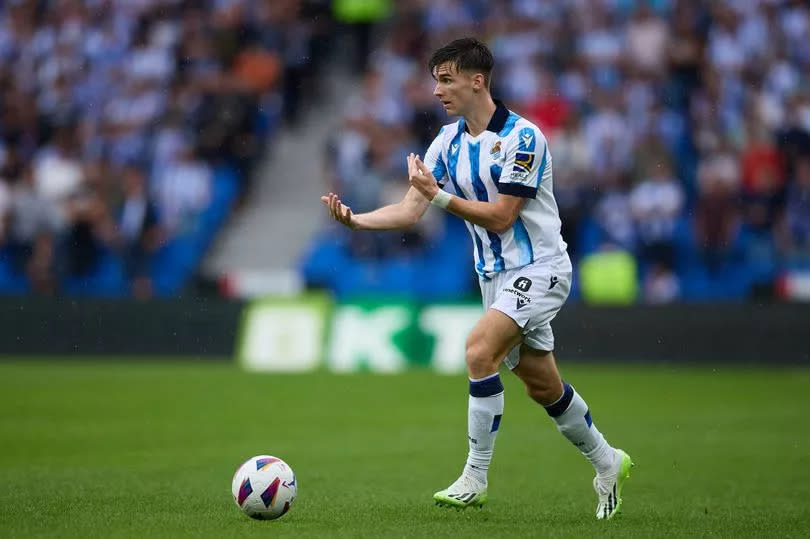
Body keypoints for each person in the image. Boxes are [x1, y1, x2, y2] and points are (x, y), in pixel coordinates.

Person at [320, 38, 633, 520]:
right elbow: (411, 207)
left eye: (446, 79)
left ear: (477, 80)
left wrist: (441, 198)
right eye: (435, 81)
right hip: (495, 278)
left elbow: (504, 217)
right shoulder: (446, 141)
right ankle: (607, 460)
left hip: (541, 269)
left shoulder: (524, 138)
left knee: (478, 350)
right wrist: (357, 220)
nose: (438, 90)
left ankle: (475, 476)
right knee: (542, 385)